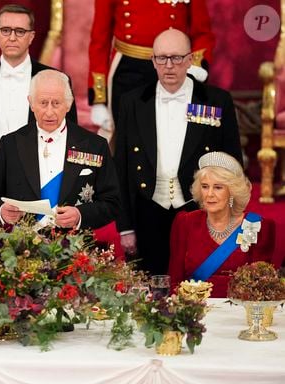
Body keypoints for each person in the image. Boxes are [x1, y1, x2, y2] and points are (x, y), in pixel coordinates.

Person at [114, 29, 243, 275]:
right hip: (148, 209)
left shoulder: (216, 100)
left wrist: (229, 217)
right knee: (152, 290)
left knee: (199, 285)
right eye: (161, 58)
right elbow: (121, 167)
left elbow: (233, 164)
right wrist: (125, 227)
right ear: (152, 61)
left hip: (200, 209)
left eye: (176, 58)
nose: (169, 66)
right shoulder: (132, 101)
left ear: (190, 59)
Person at [0, 4, 78, 226]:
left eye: (20, 31)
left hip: (41, 182)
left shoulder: (55, 79)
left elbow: (72, 141)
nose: (12, 37)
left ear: (31, 37)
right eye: (6, 30)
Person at [0, 69, 119, 230]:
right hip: (22, 248)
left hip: (76, 249)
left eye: (56, 103)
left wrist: (80, 215)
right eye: (43, 103)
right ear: (31, 103)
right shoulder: (10, 144)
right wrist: (1, 211)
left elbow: (112, 202)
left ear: (68, 104)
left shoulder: (95, 145)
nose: (49, 112)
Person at [87, 0, 214, 144]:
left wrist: (196, 65)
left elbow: (202, 33)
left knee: (172, 138)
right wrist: (99, 99)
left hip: (172, 68)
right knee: (127, 141)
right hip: (127, 71)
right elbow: (99, 41)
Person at [169, 152, 276, 297]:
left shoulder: (257, 226)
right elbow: (174, 282)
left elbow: (261, 287)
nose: (209, 194)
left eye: (218, 187)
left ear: (232, 192)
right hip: (195, 311)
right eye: (205, 186)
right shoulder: (185, 222)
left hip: (238, 312)